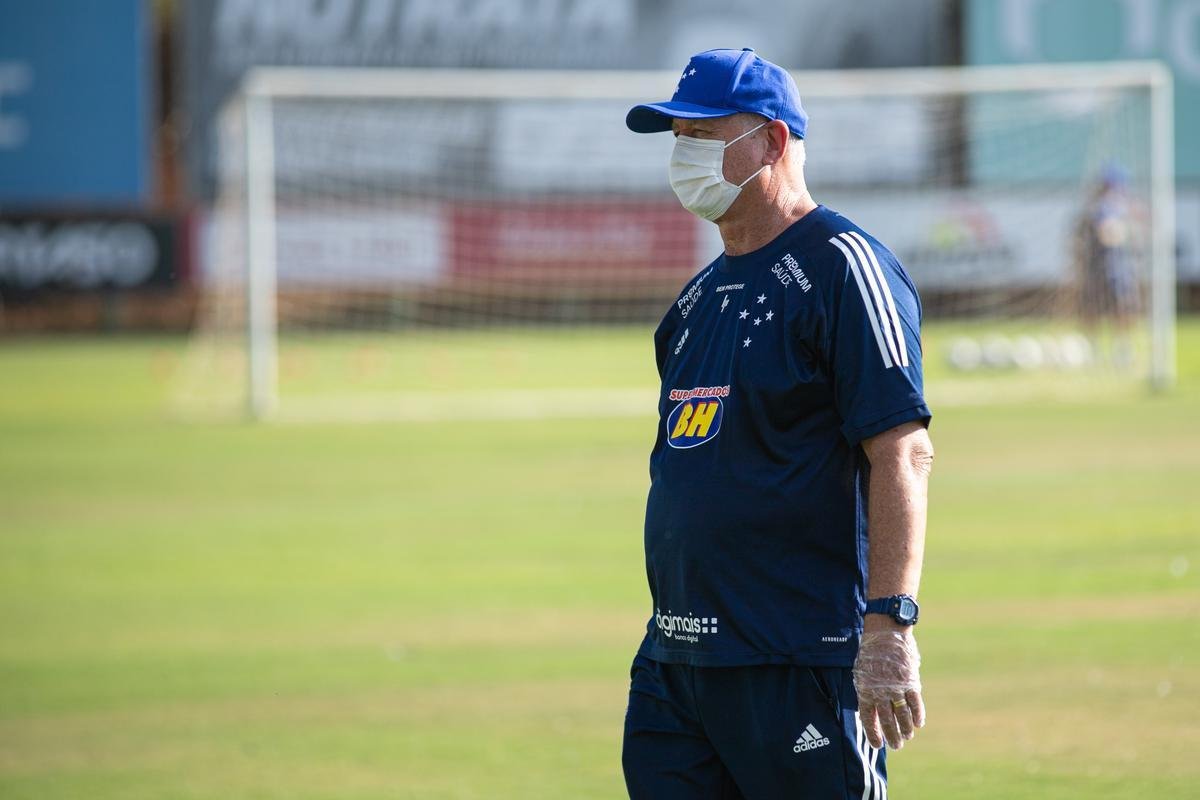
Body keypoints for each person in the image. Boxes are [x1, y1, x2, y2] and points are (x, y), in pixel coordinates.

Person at [621, 48, 934, 799]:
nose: (683, 154)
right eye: (677, 137)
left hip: (799, 664)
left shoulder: (844, 268)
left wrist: (890, 625)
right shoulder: (693, 304)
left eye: (702, 134)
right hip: (677, 666)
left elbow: (904, 452)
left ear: (771, 142)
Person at [1073, 164, 1142, 369]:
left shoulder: (1118, 206)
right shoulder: (1101, 208)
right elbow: (1107, 235)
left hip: (1115, 267)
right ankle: (1096, 350)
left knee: (1120, 309)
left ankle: (1118, 350)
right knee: (1098, 308)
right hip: (1102, 267)